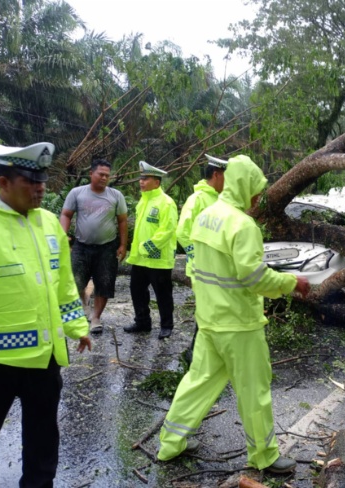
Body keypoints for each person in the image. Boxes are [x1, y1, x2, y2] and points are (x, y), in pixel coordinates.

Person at [157, 155, 310, 474]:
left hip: (209, 320)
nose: (258, 197)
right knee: (254, 391)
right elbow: (254, 277)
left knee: (197, 382)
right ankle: (264, 455)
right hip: (240, 326)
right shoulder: (243, 226)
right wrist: (291, 283)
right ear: (243, 186)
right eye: (256, 189)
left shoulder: (205, 216)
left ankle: (170, 443)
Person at [0, 142, 91, 488]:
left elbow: (63, 283)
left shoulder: (48, 223)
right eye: (29, 181)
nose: (40, 188)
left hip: (44, 357)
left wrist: (77, 325)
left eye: (41, 181)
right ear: (3, 182)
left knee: (43, 440)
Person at [60, 159, 128, 334]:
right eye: (101, 174)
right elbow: (66, 214)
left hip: (107, 247)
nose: (104, 178)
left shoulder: (116, 195)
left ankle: (96, 317)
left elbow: (122, 221)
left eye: (107, 175)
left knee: (104, 283)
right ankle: (84, 302)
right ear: (91, 174)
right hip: (81, 246)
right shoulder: (77, 193)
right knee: (76, 281)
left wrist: (123, 244)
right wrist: (62, 235)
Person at [176, 154, 228, 361]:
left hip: (218, 267)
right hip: (202, 268)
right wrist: (197, 255)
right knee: (208, 311)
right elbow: (182, 231)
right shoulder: (197, 199)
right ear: (216, 175)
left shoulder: (221, 199)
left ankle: (202, 352)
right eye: (227, 177)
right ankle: (194, 354)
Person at [124, 161, 178, 340]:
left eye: (145, 179)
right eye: (141, 178)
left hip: (158, 258)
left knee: (163, 294)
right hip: (140, 258)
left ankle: (166, 326)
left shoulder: (166, 203)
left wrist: (147, 248)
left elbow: (167, 230)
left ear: (157, 182)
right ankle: (142, 322)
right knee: (137, 291)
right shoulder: (143, 200)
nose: (141, 182)